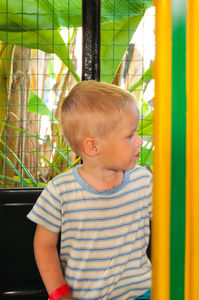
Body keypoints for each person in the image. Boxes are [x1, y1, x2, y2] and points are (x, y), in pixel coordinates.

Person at [27, 80, 152, 300]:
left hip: (142, 293)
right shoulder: (60, 191)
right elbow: (44, 245)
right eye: (130, 135)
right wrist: (59, 293)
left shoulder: (144, 181)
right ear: (93, 147)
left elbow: (170, 225)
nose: (139, 141)